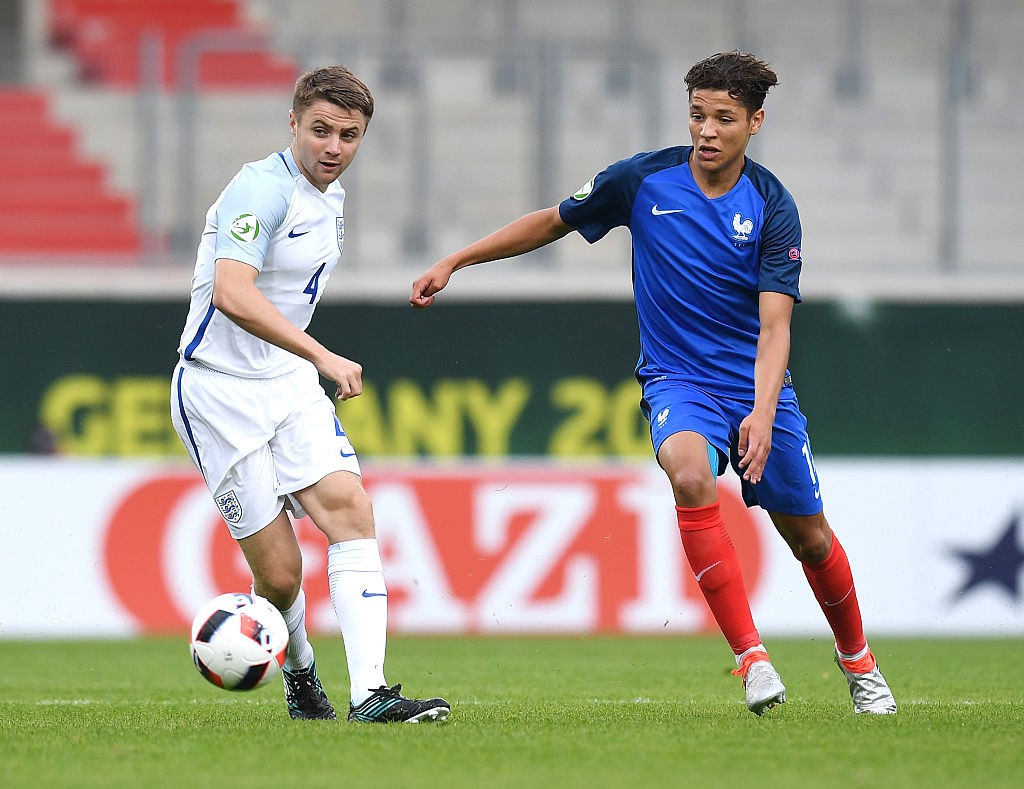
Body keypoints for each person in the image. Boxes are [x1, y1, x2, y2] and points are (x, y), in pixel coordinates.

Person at [411, 51, 896, 716]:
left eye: (724, 118)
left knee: (810, 537)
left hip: (757, 388)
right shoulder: (642, 180)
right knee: (690, 475)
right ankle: (751, 659)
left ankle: (860, 663)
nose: (707, 130)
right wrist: (457, 260)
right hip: (678, 380)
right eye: (697, 115)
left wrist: (761, 413)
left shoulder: (772, 206)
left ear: (755, 122)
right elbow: (553, 219)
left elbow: (775, 326)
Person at [171, 65, 449, 723]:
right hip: (219, 390)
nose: (333, 146)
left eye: (349, 136)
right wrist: (321, 354)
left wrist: (304, 362)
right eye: (321, 130)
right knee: (279, 575)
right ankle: (300, 676)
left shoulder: (332, 197)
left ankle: (371, 694)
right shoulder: (260, 188)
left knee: (351, 508)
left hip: (288, 384)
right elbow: (232, 292)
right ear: (293, 122)